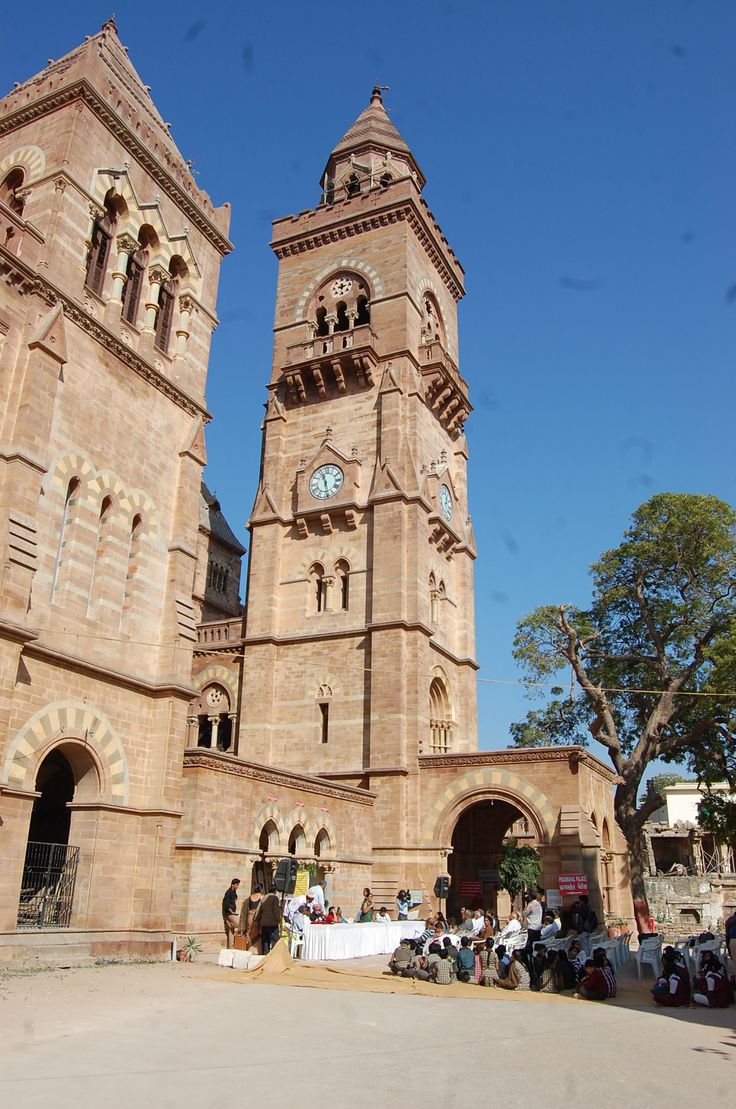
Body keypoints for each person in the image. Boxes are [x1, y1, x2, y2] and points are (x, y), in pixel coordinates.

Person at [239, 883, 264, 952]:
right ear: (261, 889)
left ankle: (249, 948)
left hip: (249, 918)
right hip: (258, 918)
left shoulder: (249, 898)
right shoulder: (262, 898)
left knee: (249, 933)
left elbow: (245, 909)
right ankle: (256, 950)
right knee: (258, 933)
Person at [258, 885, 282, 954]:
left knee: (265, 941)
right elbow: (276, 910)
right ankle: (274, 956)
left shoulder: (263, 898)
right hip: (272, 923)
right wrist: (279, 920)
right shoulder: (275, 898)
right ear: (275, 891)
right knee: (274, 940)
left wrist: (257, 920)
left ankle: (265, 955)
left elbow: (259, 910)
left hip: (264, 922)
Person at [522, 893, 543, 964]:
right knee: (537, 944)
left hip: (532, 927)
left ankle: (530, 960)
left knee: (530, 945)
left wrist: (524, 909)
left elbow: (524, 913)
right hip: (538, 927)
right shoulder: (539, 904)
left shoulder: (531, 905)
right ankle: (538, 959)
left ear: (530, 897)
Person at [221, 877, 240, 949]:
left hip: (232, 912)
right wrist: (232, 912)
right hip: (230, 913)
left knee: (231, 931)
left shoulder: (234, 892)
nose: (237, 887)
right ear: (232, 884)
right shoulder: (228, 892)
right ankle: (230, 924)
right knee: (239, 925)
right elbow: (226, 904)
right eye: (236, 885)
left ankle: (230, 946)